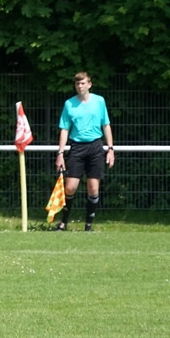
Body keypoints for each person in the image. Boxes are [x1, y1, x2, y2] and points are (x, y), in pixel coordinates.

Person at [53, 71, 115, 232]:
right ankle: (63, 223)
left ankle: (88, 226)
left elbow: (106, 125)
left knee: (93, 188)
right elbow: (64, 129)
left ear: (89, 84)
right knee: (70, 187)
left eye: (83, 83)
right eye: (77, 84)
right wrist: (60, 153)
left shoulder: (99, 101)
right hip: (77, 147)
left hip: (95, 147)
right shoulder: (69, 104)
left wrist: (110, 149)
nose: (80, 86)